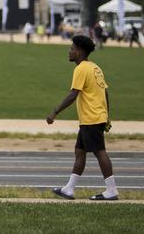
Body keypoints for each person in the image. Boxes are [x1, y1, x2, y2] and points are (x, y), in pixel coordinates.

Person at [47, 34, 117, 201]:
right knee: (80, 151)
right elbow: (105, 92)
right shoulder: (95, 68)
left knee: (100, 152)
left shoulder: (81, 69)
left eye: (71, 49)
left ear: (79, 51)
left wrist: (55, 112)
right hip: (95, 117)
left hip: (91, 118)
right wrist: (106, 115)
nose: (69, 51)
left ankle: (112, 190)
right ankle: (69, 189)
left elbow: (73, 94)